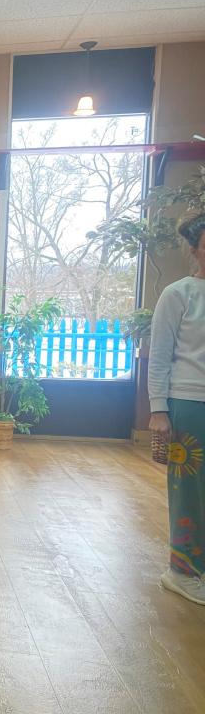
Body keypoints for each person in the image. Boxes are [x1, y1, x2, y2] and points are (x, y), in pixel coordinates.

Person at [149, 213, 205, 605]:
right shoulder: (179, 294)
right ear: (196, 247)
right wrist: (158, 409)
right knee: (189, 490)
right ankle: (181, 571)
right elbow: (160, 357)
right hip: (189, 402)